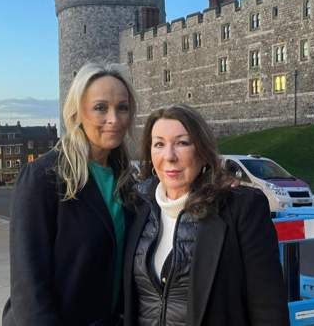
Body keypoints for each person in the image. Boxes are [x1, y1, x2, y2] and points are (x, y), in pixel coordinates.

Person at [123, 104, 289, 326]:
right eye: (159, 144)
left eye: (182, 143)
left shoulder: (241, 208)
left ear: (202, 151)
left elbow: (268, 308)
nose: (169, 156)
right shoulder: (139, 207)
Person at [2, 62, 138, 326]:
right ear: (76, 114)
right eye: (100, 108)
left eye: (122, 108)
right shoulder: (43, 177)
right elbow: (28, 285)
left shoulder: (125, 181)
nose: (114, 119)